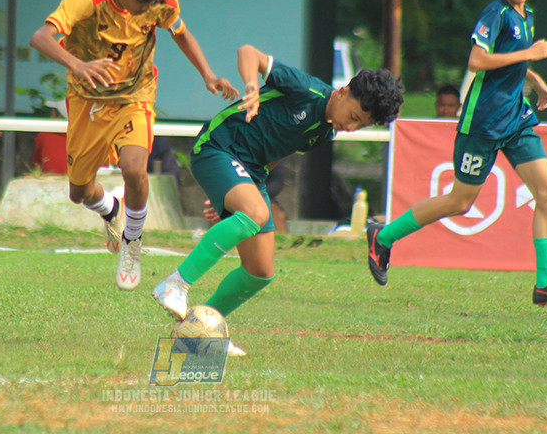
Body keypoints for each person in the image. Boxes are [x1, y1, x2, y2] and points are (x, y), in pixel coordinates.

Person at [365, 0, 547, 307]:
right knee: (459, 202)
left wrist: (531, 78)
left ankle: (546, 284)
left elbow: (509, 60)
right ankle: (384, 237)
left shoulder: (525, 14)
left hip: (515, 119)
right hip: (483, 124)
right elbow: (478, 60)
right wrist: (529, 55)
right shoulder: (495, 13)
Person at [152, 44, 404, 355]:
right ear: (341, 92)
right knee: (256, 212)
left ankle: (199, 329)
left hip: (247, 171)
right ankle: (175, 284)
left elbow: (276, 153)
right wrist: (251, 87)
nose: (351, 127)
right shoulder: (307, 89)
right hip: (217, 147)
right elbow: (247, 53)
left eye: (360, 125)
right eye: (353, 116)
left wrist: (233, 197)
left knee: (260, 270)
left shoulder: (325, 131)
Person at [29, 0, 238, 291]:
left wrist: (208, 74)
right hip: (87, 98)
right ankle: (111, 208)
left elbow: (180, 32)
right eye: (142, 4)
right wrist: (78, 65)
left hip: (135, 94)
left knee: (133, 168)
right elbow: (41, 37)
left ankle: (132, 242)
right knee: (79, 192)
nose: (148, 10)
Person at [32, 100, 68, 175]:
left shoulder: (44, 135)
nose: (51, 115)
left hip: (48, 182)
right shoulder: (87, 138)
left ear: (59, 116)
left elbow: (36, 164)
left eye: (53, 112)